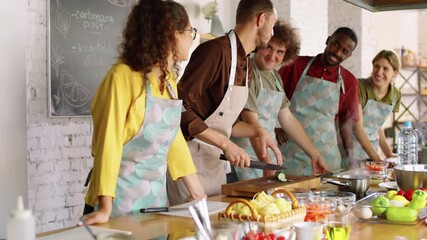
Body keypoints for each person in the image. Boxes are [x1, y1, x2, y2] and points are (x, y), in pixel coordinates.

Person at [81, 0, 206, 225]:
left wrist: (197, 191)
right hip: (115, 205)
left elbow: (173, 138)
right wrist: (105, 208)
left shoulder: (167, 80)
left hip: (154, 204)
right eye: (190, 31)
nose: (192, 38)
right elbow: (108, 144)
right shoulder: (121, 77)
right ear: (171, 35)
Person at [167, 0, 281, 205]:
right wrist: (226, 144)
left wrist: (259, 131)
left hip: (214, 167)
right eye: (272, 26)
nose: (272, 33)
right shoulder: (215, 51)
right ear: (261, 19)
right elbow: (179, 108)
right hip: (189, 165)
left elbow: (226, 122)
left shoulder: (246, 63)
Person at [232, 20, 328, 180]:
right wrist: (266, 163)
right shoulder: (247, 71)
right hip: (246, 158)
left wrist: (314, 154)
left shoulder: (276, 78)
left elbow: (287, 119)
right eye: (269, 47)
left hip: (266, 157)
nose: (273, 55)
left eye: (280, 52)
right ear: (259, 44)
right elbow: (252, 123)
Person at [278, 27, 359, 175]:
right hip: (291, 156)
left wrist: (351, 157)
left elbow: (346, 122)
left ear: (349, 55)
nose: (338, 52)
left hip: (326, 159)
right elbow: (273, 100)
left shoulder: (349, 81)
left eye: (345, 51)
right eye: (336, 44)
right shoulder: (295, 65)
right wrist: (274, 128)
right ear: (328, 40)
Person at [352, 50, 401, 162]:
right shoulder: (359, 87)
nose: (379, 72)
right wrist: (378, 160)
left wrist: (388, 153)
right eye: (376, 66)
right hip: (350, 150)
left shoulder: (395, 95)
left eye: (385, 69)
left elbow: (376, 125)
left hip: (371, 153)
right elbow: (357, 127)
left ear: (395, 73)